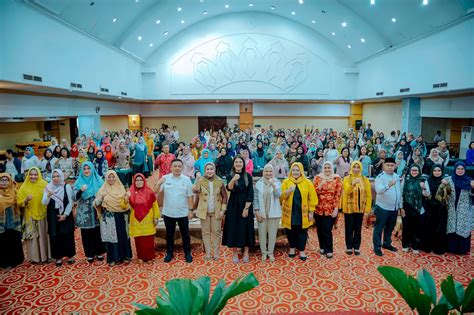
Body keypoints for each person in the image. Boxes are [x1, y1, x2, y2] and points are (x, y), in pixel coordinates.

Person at [156, 159, 194, 263]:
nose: (177, 168)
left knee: (185, 234)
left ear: (182, 168)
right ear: (171, 167)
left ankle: (187, 253)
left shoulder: (186, 179)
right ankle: (169, 253)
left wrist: (191, 210)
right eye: (175, 166)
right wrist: (159, 183)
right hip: (168, 212)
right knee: (169, 234)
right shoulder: (165, 178)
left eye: (179, 166)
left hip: (183, 213)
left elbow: (190, 196)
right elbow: (155, 192)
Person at [94, 170, 133, 266]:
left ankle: (125, 256)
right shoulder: (103, 190)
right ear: (106, 178)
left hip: (121, 216)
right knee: (112, 237)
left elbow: (127, 203)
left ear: (116, 178)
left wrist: (127, 198)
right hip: (110, 217)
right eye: (109, 177)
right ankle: (113, 258)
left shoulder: (121, 188)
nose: (111, 179)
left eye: (113, 177)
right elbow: (96, 203)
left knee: (123, 235)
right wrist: (101, 198)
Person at [281, 162, 318, 261]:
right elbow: (281, 198)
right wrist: (288, 191)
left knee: (302, 231)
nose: (295, 172)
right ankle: (292, 248)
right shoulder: (286, 182)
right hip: (290, 212)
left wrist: (311, 212)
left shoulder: (307, 182)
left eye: (298, 170)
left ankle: (302, 250)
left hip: (303, 212)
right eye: (294, 170)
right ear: (291, 171)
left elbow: (312, 198)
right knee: (291, 231)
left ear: (301, 171)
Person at [222, 156, 255, 263]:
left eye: (240, 162)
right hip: (233, 205)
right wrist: (233, 179)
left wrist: (246, 208)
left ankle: (245, 251)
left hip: (246, 204)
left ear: (243, 164)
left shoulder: (248, 176)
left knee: (246, 228)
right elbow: (229, 188)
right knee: (233, 228)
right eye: (236, 162)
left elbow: (250, 192)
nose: (238, 164)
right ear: (233, 164)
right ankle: (235, 252)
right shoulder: (230, 175)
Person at [193, 163, 228, 260]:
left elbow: (224, 196)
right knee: (205, 232)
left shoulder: (219, 181)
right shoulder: (201, 180)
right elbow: (195, 190)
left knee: (216, 232)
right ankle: (208, 253)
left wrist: (223, 210)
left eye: (211, 169)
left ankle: (216, 252)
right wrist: (197, 179)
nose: (209, 171)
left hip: (216, 211)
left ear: (214, 170)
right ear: (205, 170)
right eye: (207, 169)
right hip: (204, 211)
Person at [17, 167, 51, 263]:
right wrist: (25, 200)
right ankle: (35, 258)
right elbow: (18, 202)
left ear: (39, 175)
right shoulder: (24, 187)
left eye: (35, 174)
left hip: (43, 214)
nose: (33, 176)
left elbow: (51, 198)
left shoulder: (44, 185)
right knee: (33, 237)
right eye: (31, 174)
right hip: (30, 215)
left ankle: (46, 256)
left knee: (44, 235)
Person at [74, 162, 105, 263]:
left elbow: (105, 193)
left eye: (88, 168)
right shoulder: (79, 182)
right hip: (85, 214)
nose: (87, 170)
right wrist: (81, 191)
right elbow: (74, 197)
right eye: (85, 169)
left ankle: (99, 252)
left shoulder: (99, 180)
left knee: (97, 232)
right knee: (86, 234)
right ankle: (90, 254)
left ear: (92, 169)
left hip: (97, 212)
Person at [42, 169, 76, 266]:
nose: (56, 178)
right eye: (54, 176)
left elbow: (70, 202)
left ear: (61, 177)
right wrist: (48, 196)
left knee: (67, 235)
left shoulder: (67, 186)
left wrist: (65, 214)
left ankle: (70, 256)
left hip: (66, 214)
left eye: (58, 176)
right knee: (55, 236)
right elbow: (44, 202)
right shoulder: (48, 187)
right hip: (53, 214)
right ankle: (58, 257)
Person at [373, 157, 403, 256]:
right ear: (384, 166)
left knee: (390, 228)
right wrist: (388, 185)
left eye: (392, 165)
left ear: (395, 166)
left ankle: (387, 243)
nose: (390, 167)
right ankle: (377, 247)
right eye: (388, 165)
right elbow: (379, 190)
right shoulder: (380, 177)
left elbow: (399, 192)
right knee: (379, 228)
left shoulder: (397, 176)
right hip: (382, 207)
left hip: (394, 208)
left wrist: (400, 206)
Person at [128, 173, 160, 262]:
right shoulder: (130, 192)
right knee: (139, 240)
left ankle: (150, 257)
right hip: (136, 220)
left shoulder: (149, 191)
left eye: (141, 180)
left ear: (144, 180)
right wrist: (125, 197)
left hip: (148, 219)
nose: (139, 182)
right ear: (134, 182)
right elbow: (124, 206)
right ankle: (141, 257)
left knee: (148, 239)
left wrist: (156, 217)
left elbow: (155, 205)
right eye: (136, 180)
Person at [342, 161, 372, 255]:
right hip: (349, 208)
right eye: (354, 167)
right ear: (351, 168)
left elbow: (368, 195)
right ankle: (349, 247)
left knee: (358, 228)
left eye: (358, 167)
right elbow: (346, 191)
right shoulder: (347, 178)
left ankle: (357, 246)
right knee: (349, 228)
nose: (356, 169)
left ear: (361, 168)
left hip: (360, 208)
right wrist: (353, 184)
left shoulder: (364, 179)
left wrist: (367, 209)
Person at [253, 164, 282, 262]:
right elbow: (255, 199)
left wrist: (273, 185)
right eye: (266, 171)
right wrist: (256, 212)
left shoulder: (277, 182)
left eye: (270, 171)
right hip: (262, 212)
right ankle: (264, 253)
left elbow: (278, 195)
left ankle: (270, 253)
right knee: (262, 234)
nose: (268, 173)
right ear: (263, 172)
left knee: (272, 234)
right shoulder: (258, 183)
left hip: (273, 213)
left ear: (273, 172)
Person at [313, 162, 342, 258]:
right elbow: (313, 193)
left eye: (329, 167)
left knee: (327, 229)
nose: (327, 169)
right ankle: (322, 247)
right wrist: (320, 185)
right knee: (320, 229)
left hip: (330, 208)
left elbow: (338, 194)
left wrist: (336, 209)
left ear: (332, 168)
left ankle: (329, 249)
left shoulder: (336, 178)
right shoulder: (318, 178)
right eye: (325, 167)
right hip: (318, 208)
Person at [400, 165, 430, 254]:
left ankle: (415, 246)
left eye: (416, 170)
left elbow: (427, 195)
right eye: (412, 170)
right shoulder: (406, 180)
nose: (414, 172)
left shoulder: (423, 180)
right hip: (406, 207)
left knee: (417, 228)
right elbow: (401, 193)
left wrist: (424, 187)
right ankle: (405, 245)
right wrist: (401, 207)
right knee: (406, 227)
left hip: (418, 208)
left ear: (419, 171)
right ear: (410, 171)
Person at [445, 162, 473, 255]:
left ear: (465, 170)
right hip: (451, 207)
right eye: (458, 169)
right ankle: (450, 248)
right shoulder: (449, 180)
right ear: (455, 169)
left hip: (464, 209)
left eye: (462, 169)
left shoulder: (469, 181)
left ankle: (461, 249)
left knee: (462, 227)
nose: (460, 171)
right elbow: (443, 193)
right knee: (451, 226)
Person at [421, 164, 449, 254]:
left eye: (439, 171)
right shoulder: (428, 181)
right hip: (430, 208)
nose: (437, 172)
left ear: (442, 172)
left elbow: (449, 195)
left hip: (441, 208)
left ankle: (438, 248)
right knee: (429, 227)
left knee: (439, 228)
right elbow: (425, 195)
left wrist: (446, 185)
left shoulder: (445, 181)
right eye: (435, 171)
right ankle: (427, 246)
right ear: (432, 171)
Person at [0, 173, 24, 268]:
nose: (4, 182)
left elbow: (19, 203)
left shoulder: (14, 191)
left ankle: (16, 260)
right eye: (1, 180)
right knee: (3, 242)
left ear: (10, 181)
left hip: (14, 220)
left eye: (6, 180)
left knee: (14, 240)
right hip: (2, 222)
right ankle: (4, 262)